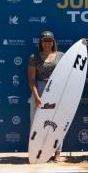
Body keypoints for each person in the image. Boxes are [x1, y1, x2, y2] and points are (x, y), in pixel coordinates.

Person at [28, 30, 64, 162]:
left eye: (50, 40)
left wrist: (82, 46)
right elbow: (32, 79)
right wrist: (36, 96)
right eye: (45, 40)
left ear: (53, 42)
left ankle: (57, 152)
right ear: (41, 42)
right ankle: (37, 151)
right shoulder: (34, 57)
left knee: (57, 122)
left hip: (57, 90)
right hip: (39, 89)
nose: (47, 43)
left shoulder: (61, 55)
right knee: (36, 122)